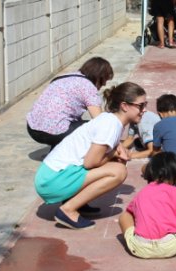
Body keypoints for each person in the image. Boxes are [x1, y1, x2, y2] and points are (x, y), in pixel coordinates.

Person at [34, 82, 147, 230]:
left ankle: (75, 201)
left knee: (116, 164)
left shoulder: (110, 120)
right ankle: (68, 210)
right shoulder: (111, 125)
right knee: (118, 172)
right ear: (125, 106)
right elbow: (90, 163)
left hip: (50, 176)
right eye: (141, 105)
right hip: (51, 181)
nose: (144, 110)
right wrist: (114, 154)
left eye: (146, 104)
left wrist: (116, 152)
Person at [119, 152, 176, 258]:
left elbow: (130, 212)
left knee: (124, 216)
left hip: (141, 248)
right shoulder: (175, 191)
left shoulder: (142, 192)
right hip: (169, 246)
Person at [26, 57, 114, 150]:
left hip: (32, 128)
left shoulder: (65, 76)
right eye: (104, 80)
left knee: (68, 122)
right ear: (98, 76)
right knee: (93, 129)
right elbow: (99, 120)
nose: (104, 84)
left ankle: (57, 149)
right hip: (54, 131)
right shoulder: (88, 87)